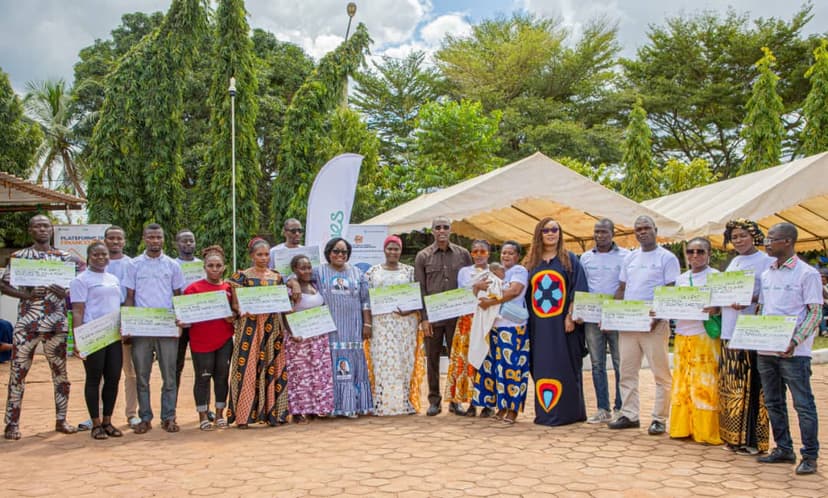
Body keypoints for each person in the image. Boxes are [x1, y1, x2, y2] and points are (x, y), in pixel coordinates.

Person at [1, 215, 80, 440]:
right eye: (37, 226)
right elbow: (3, 285)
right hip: (28, 323)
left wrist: (64, 293)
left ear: (52, 229)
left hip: (57, 323)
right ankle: (12, 424)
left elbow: (75, 288)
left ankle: (61, 419)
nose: (42, 229)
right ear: (30, 230)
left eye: (46, 226)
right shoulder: (19, 256)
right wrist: (25, 294)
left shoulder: (65, 258)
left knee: (61, 375)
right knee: (18, 373)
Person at [756, 222, 822, 475]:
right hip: (766, 351)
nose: (767, 243)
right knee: (773, 402)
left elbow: (815, 312)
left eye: (772, 238)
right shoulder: (767, 273)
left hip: (794, 353)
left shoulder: (807, 274)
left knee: (803, 404)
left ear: (788, 241)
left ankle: (810, 455)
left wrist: (795, 341)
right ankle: (783, 448)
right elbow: (764, 309)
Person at [608, 215, 680, 435]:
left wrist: (656, 318)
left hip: (654, 325)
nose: (642, 232)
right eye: (638, 229)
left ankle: (659, 418)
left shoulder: (667, 258)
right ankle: (629, 414)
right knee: (627, 371)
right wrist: (613, 315)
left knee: (660, 374)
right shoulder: (630, 258)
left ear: (655, 230)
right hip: (629, 324)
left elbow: (670, 290)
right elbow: (622, 288)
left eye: (646, 228)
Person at [523, 218, 588, 426]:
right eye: (546, 230)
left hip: (562, 326)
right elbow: (524, 295)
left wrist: (570, 315)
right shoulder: (532, 262)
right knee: (542, 366)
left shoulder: (569, 260)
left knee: (565, 365)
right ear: (539, 234)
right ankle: (546, 413)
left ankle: (569, 413)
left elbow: (578, 288)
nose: (551, 233)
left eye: (555, 230)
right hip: (539, 327)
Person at [123, 223, 185, 434]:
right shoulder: (133, 265)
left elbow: (178, 296)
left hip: (167, 328)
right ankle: (145, 417)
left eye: (158, 237)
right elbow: (129, 297)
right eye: (151, 237)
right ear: (144, 238)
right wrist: (128, 325)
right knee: (142, 376)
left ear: (163, 239)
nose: (155, 241)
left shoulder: (172, 266)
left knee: (169, 376)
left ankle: (169, 417)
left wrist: (180, 322)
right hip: (141, 329)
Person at [718, 219, 773, 455]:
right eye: (734, 237)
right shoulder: (735, 262)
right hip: (729, 331)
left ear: (754, 236)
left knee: (753, 386)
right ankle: (733, 437)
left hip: (751, 331)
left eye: (742, 236)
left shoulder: (766, 262)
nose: (738, 240)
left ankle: (752, 440)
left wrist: (749, 299)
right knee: (733, 386)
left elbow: (768, 294)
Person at [227, 238, 288, 427]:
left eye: (266, 254)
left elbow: (282, 302)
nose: (263, 258)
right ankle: (244, 416)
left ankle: (274, 413)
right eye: (259, 254)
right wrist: (241, 309)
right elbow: (236, 304)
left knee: (273, 366)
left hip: (272, 327)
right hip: (250, 327)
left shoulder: (277, 277)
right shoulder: (241, 277)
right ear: (251, 256)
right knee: (248, 368)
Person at [414, 218, 472, 416]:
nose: (441, 231)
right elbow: (420, 288)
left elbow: (470, 282)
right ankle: (434, 400)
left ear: (450, 230)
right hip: (433, 317)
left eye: (445, 227)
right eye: (437, 228)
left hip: (457, 316)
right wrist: (424, 318)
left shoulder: (463, 255)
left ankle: (455, 400)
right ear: (432, 231)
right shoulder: (423, 256)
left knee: (457, 358)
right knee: (432, 358)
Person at [668, 237, 722, 445]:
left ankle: (706, 432)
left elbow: (723, 305)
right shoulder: (682, 279)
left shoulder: (716, 277)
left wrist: (716, 308)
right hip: (683, 335)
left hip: (705, 337)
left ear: (709, 254)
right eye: (691, 252)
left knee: (705, 385)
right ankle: (682, 428)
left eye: (700, 251)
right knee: (682, 383)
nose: (695, 256)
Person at [313, 238, 373, 417]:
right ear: (328, 252)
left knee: (353, 364)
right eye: (336, 251)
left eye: (344, 252)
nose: (340, 255)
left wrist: (367, 324)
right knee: (330, 364)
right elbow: (298, 281)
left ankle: (352, 405)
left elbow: (365, 301)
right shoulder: (318, 272)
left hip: (353, 329)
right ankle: (330, 407)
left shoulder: (357, 273)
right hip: (329, 330)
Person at [365, 236, 424, 416]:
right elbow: (366, 301)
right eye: (389, 248)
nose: (393, 252)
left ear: (401, 251)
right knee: (381, 361)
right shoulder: (372, 272)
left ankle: (405, 402)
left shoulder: (410, 272)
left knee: (405, 361)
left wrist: (411, 310)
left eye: (396, 249)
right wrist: (367, 322)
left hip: (405, 323)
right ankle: (381, 403)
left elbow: (419, 296)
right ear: (384, 250)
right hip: (381, 323)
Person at [472, 240, 530, 425]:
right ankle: (501, 406)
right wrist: (478, 288)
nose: (506, 256)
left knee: (512, 368)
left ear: (517, 256)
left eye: (511, 253)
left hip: (512, 327)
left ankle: (513, 410)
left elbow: (514, 291)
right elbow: (478, 291)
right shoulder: (494, 272)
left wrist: (491, 302)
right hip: (495, 326)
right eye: (504, 253)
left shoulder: (519, 271)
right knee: (497, 369)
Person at [70, 241, 123, 440]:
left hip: (113, 335)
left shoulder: (113, 278)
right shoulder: (81, 280)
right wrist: (78, 339)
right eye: (96, 255)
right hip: (92, 334)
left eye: (104, 254)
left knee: (113, 378)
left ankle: (108, 420)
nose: (101, 258)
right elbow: (77, 311)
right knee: (94, 379)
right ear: (88, 257)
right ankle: (96, 423)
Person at [578, 219, 628, 424]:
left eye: (604, 232)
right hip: (591, 318)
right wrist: (580, 311)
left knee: (619, 363)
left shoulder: (626, 256)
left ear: (613, 233)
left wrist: (611, 311)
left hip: (616, 317)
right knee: (597, 364)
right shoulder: (586, 258)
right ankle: (602, 408)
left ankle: (620, 407)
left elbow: (625, 285)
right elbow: (582, 286)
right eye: (597, 232)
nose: (600, 235)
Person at [181, 245, 234, 431]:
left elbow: (236, 312)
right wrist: (182, 321)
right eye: (211, 265)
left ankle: (220, 414)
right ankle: (203, 415)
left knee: (222, 376)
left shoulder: (229, 288)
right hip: (201, 341)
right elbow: (184, 316)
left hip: (225, 340)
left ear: (224, 267)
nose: (215, 269)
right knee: (203, 377)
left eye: (218, 265)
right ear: (204, 267)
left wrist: (233, 317)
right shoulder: (192, 289)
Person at [284, 255, 334, 423]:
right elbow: (285, 313)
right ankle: (297, 411)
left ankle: (313, 408)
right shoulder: (291, 289)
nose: (306, 271)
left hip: (318, 338)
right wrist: (291, 333)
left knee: (316, 374)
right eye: (302, 268)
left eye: (308, 267)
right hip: (299, 339)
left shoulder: (315, 285)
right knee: (298, 376)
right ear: (294, 270)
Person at [445, 239, 491, 417]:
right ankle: (471, 402)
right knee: (468, 362)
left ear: (488, 253)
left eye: (482, 251)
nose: (479, 255)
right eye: (475, 252)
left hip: (486, 321)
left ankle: (487, 403)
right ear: (471, 254)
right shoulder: (465, 272)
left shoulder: (494, 272)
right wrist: (476, 286)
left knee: (486, 362)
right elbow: (462, 294)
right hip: (466, 320)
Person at [104, 225, 139, 429]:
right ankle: (98, 415)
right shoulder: (97, 264)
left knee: (131, 372)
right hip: (102, 324)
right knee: (102, 373)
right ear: (105, 240)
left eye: (119, 238)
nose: (115, 242)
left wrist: (129, 323)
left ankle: (131, 413)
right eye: (111, 238)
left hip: (126, 322)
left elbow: (134, 296)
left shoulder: (131, 265)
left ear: (124, 241)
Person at [174, 229, 201, 405]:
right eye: (184, 241)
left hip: (200, 321)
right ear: (176, 244)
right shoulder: (172, 265)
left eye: (191, 241)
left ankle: (203, 406)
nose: (188, 244)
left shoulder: (202, 265)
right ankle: (171, 408)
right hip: (178, 321)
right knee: (176, 366)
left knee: (202, 367)